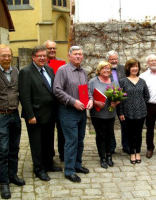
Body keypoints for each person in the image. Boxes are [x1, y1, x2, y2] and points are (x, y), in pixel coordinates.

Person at [18, 45, 62, 182]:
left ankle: (48, 164)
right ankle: (39, 169)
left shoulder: (49, 69)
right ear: (33, 57)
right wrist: (30, 115)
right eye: (40, 56)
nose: (43, 58)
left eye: (44, 55)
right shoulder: (26, 72)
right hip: (35, 115)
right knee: (37, 143)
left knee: (48, 141)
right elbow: (24, 96)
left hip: (49, 113)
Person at [0, 44, 25, 199]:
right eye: (3, 55)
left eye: (9, 55)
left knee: (14, 147)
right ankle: (3, 183)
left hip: (14, 114)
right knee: (3, 150)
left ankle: (12, 175)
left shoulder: (16, 70)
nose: (7, 58)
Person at [53, 46, 93, 183]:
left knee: (80, 140)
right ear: (69, 56)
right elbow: (57, 90)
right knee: (71, 141)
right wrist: (73, 101)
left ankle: (77, 164)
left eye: (80, 54)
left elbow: (86, 89)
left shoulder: (83, 72)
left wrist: (91, 100)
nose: (78, 56)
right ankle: (69, 170)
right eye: (75, 54)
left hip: (82, 111)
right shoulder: (62, 70)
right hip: (68, 111)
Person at [119, 58, 150, 164]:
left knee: (139, 133)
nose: (135, 68)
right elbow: (120, 99)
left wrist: (139, 103)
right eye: (133, 66)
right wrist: (121, 112)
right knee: (130, 133)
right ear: (128, 68)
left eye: (136, 66)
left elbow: (147, 96)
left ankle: (138, 152)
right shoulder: (123, 81)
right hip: (128, 112)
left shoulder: (142, 81)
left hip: (141, 112)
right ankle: (132, 153)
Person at [89, 61, 119, 169]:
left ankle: (109, 156)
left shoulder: (113, 81)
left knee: (110, 134)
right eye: (104, 68)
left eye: (108, 69)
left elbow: (118, 96)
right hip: (97, 114)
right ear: (99, 70)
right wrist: (96, 102)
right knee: (101, 135)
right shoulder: (93, 81)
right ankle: (102, 157)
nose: (106, 71)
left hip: (110, 113)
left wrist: (115, 102)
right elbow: (89, 95)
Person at [44, 40, 65, 162]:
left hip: (61, 102)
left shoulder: (61, 63)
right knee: (49, 131)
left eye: (54, 48)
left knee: (62, 130)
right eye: (49, 48)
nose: (52, 50)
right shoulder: (41, 64)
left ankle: (63, 154)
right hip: (48, 104)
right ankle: (49, 155)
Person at [106, 50, 129, 154]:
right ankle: (111, 147)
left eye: (115, 59)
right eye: (112, 59)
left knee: (125, 124)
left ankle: (126, 146)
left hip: (123, 101)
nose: (114, 61)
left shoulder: (123, 68)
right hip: (109, 101)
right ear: (108, 60)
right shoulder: (104, 69)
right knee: (110, 125)